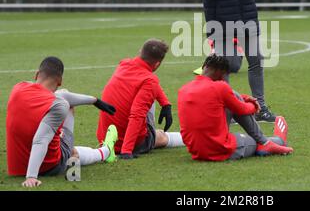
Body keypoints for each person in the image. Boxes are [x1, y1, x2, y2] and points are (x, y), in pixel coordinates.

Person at [6, 56, 118, 188]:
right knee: (72, 150)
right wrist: (31, 176)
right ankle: (105, 152)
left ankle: (99, 152)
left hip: (17, 166)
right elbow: (40, 140)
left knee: (63, 96)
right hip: (48, 167)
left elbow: (61, 94)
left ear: (36, 74)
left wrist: (94, 101)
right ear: (59, 81)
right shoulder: (59, 104)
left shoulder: (18, 88)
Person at [178, 54, 293, 161]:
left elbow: (216, 98)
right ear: (220, 73)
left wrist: (244, 98)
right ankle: (273, 141)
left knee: (234, 96)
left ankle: (264, 142)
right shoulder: (220, 87)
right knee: (255, 142)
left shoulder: (184, 89)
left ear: (204, 67)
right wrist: (254, 105)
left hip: (195, 150)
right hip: (219, 149)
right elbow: (243, 109)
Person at [96, 39, 185, 159]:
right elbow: (137, 114)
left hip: (105, 138)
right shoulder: (149, 80)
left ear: (140, 52)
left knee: (147, 88)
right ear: (157, 64)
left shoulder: (124, 64)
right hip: (128, 144)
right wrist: (126, 150)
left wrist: (165, 104)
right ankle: (190, 137)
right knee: (160, 136)